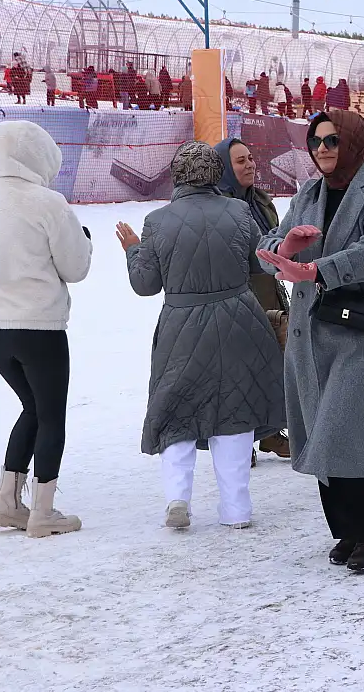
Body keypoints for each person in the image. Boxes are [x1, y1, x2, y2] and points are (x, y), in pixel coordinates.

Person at [254, 110, 364, 574]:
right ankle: (349, 529)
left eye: (333, 139)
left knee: (344, 430)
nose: (322, 147)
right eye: (315, 139)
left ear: (355, 142)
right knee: (320, 430)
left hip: (361, 328)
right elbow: (271, 242)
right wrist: (284, 250)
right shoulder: (310, 192)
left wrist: (319, 269)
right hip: (311, 329)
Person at [116, 142, 286, 530]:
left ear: (177, 176)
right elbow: (258, 265)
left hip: (182, 323)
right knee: (236, 411)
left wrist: (132, 251)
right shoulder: (241, 211)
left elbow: (145, 284)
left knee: (176, 409)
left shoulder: (158, 221)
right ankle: (237, 510)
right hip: (240, 319)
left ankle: (178, 498)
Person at [0, 120, 93, 538]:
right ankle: (43, 510)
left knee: (33, 408)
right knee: (51, 413)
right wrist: (85, 241)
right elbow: (75, 267)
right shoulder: (48, 202)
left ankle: (7, 500)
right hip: (38, 327)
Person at [215, 136, 292, 459]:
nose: (249, 165)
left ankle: (270, 432)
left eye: (250, 158)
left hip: (269, 289)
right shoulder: (218, 206)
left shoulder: (261, 201)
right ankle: (241, 439)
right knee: (241, 369)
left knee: (273, 363)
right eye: (240, 161)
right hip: (239, 293)